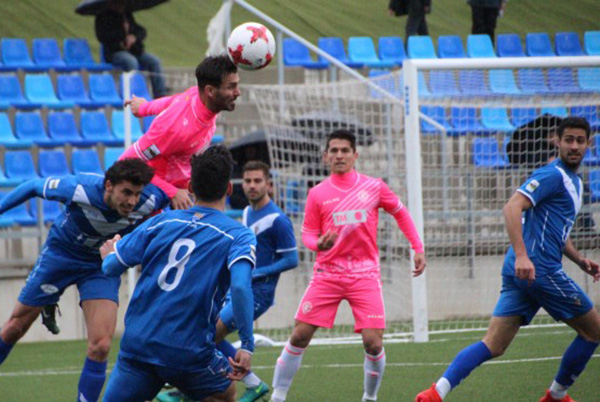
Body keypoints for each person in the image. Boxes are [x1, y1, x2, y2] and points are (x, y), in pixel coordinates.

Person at [415, 117, 600, 402]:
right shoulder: (553, 175)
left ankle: (434, 393)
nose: (574, 146)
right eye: (568, 140)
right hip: (539, 268)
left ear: (589, 143)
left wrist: (579, 260)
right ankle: (556, 396)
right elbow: (512, 206)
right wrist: (524, 256)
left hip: (524, 270)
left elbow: (556, 231)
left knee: (494, 344)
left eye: (579, 140)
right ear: (557, 141)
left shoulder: (574, 181)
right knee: (593, 331)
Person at [269, 130, 427, 402]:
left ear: (355, 155)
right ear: (325, 157)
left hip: (364, 275)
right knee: (299, 336)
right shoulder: (318, 193)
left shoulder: (374, 187)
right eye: (334, 150)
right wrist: (320, 244)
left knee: (373, 342)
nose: (339, 155)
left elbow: (400, 212)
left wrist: (418, 247)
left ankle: (369, 397)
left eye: (344, 150)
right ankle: (278, 396)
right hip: (327, 275)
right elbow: (307, 235)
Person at [0, 159, 169, 402]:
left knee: (101, 345)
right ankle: (50, 298)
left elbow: (176, 199)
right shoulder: (80, 189)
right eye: (126, 193)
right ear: (108, 185)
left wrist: (180, 194)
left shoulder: (151, 199)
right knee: (15, 327)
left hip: (100, 266)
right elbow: (33, 186)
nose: (132, 201)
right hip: (61, 257)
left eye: (137, 194)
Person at [100, 145, 256, 402]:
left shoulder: (161, 221)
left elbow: (110, 268)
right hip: (187, 351)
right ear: (229, 188)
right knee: (225, 392)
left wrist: (108, 254)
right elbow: (240, 287)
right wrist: (247, 345)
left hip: (139, 343)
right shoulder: (237, 235)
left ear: (191, 187)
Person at [157, 160, 299, 402]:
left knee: (203, 338)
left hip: (256, 294)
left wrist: (257, 272)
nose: (252, 186)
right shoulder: (247, 212)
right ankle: (253, 384)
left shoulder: (278, 219)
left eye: (257, 181)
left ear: (270, 185)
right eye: (248, 181)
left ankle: (187, 390)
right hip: (236, 290)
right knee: (204, 333)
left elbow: (292, 259)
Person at [121, 54, 240, 211]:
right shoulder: (174, 128)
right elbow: (127, 162)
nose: (238, 92)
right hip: (153, 198)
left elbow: (173, 101)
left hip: (178, 191)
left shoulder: (198, 97)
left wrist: (144, 108)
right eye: (231, 87)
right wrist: (172, 192)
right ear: (210, 91)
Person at [95, 0, 168, 98]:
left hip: (135, 51)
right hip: (115, 53)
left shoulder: (127, 15)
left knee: (154, 61)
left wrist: (134, 37)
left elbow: (141, 31)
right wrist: (122, 38)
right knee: (131, 62)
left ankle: (160, 95)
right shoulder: (102, 17)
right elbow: (103, 37)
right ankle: (133, 93)